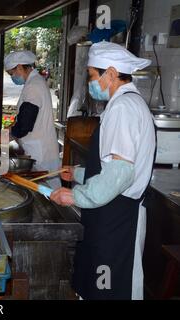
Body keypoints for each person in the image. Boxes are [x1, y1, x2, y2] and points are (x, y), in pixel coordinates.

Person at [50, 41, 155, 300]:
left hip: (117, 217)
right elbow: (110, 167)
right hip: (110, 211)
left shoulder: (123, 109)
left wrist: (75, 196)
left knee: (107, 289)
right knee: (99, 284)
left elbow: (119, 174)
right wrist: (78, 174)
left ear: (110, 73)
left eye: (91, 75)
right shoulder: (127, 103)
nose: (90, 82)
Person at [4, 51, 60, 188]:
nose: (13, 77)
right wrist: (11, 127)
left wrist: (8, 135)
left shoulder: (34, 86)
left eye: (12, 74)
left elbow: (25, 124)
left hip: (40, 151)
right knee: (48, 186)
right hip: (38, 147)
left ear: (19, 67)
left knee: (49, 189)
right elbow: (25, 115)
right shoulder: (34, 82)